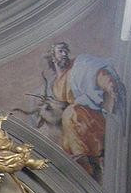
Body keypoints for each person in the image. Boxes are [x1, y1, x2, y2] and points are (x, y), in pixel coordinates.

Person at [43, 42, 124, 181]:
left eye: (65, 51)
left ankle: (86, 157)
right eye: (60, 51)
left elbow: (97, 74)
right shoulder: (54, 85)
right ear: (53, 57)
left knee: (71, 113)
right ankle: (86, 164)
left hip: (93, 116)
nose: (65, 54)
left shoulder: (80, 64)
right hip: (76, 126)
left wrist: (109, 85)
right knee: (60, 138)